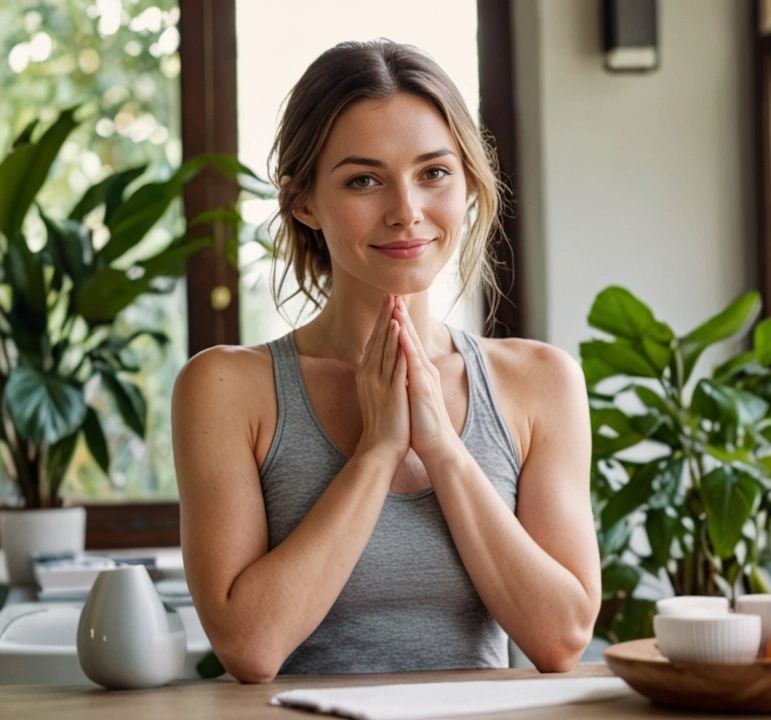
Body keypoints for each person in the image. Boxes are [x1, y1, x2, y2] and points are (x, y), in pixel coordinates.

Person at [171, 40, 600, 683]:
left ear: (468, 184)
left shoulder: (540, 382)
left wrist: (444, 451)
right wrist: (376, 452)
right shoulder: (227, 389)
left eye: (434, 173)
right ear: (304, 202)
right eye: (363, 180)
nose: (406, 212)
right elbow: (250, 648)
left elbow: (562, 637)